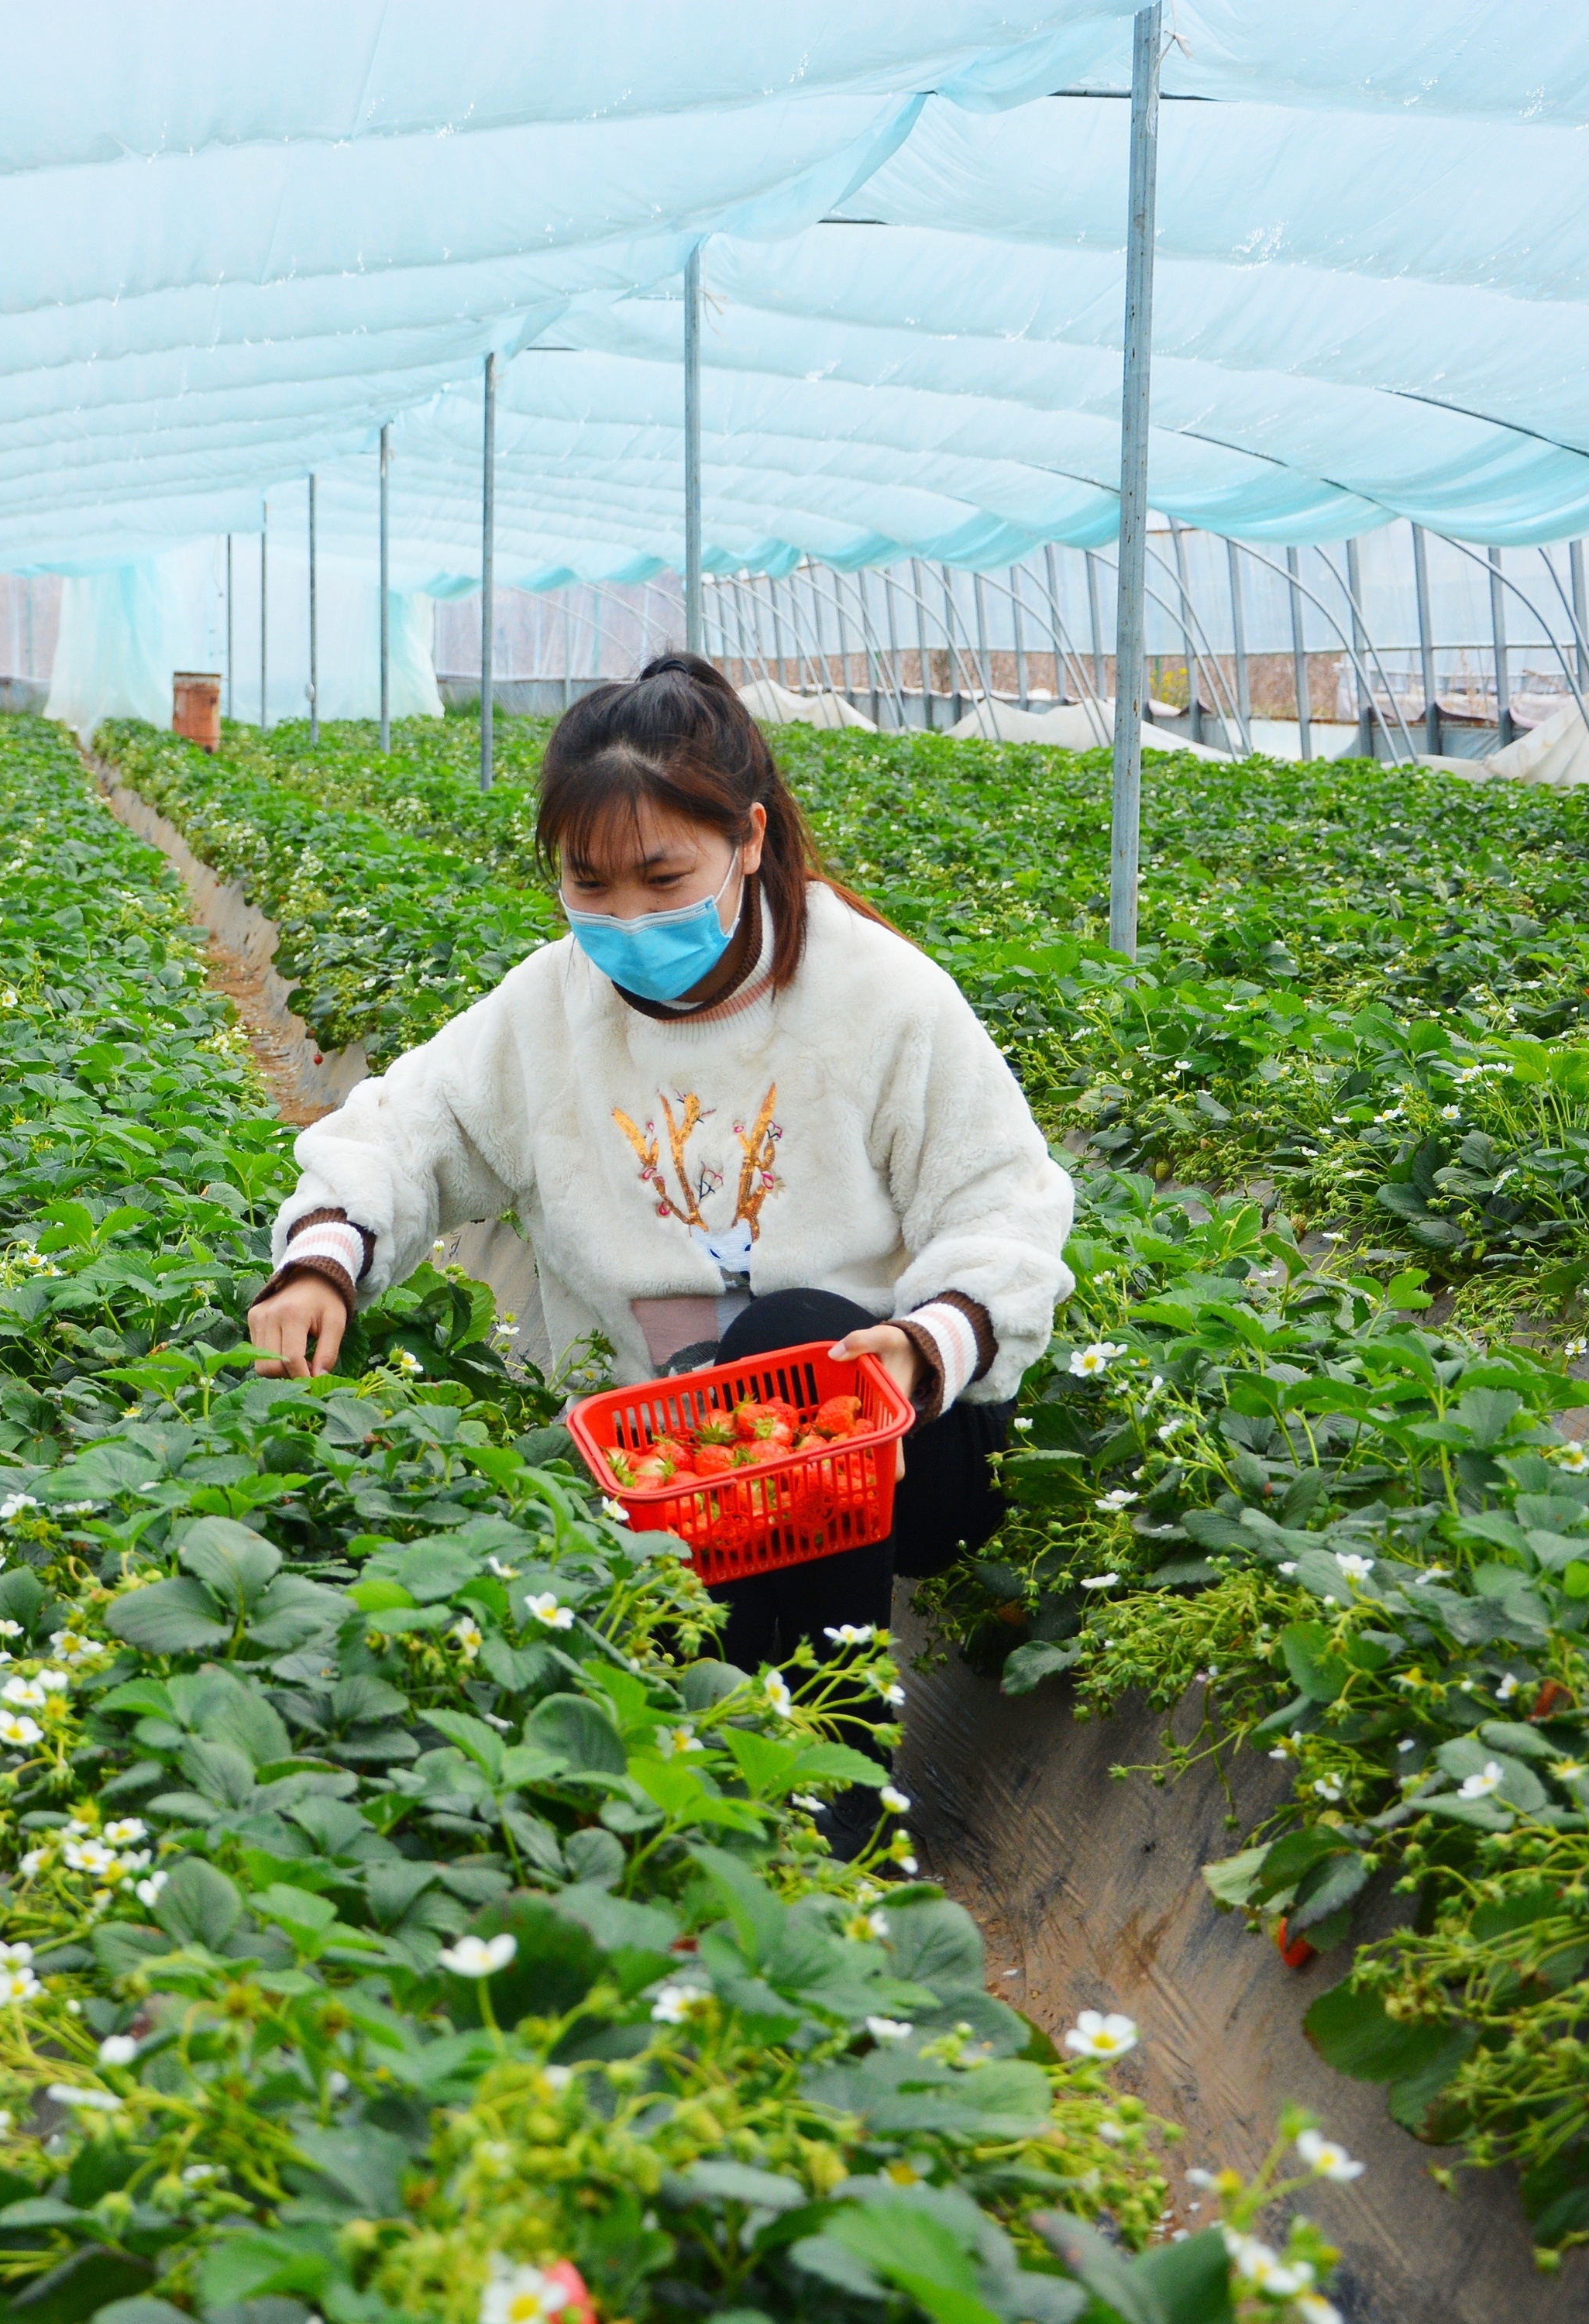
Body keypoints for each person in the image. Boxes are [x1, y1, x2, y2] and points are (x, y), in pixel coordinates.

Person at [243, 654, 1072, 1824]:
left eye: (661, 876)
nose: (625, 920)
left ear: (747, 839)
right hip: (659, 1468)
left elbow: (1006, 1206)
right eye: (590, 885)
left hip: (898, 1452)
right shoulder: (549, 1014)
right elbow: (406, 1132)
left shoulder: (880, 998)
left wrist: (923, 1347)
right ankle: (703, 1784)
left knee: (798, 1344)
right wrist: (324, 1256)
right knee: (698, 1439)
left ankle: (838, 1778)